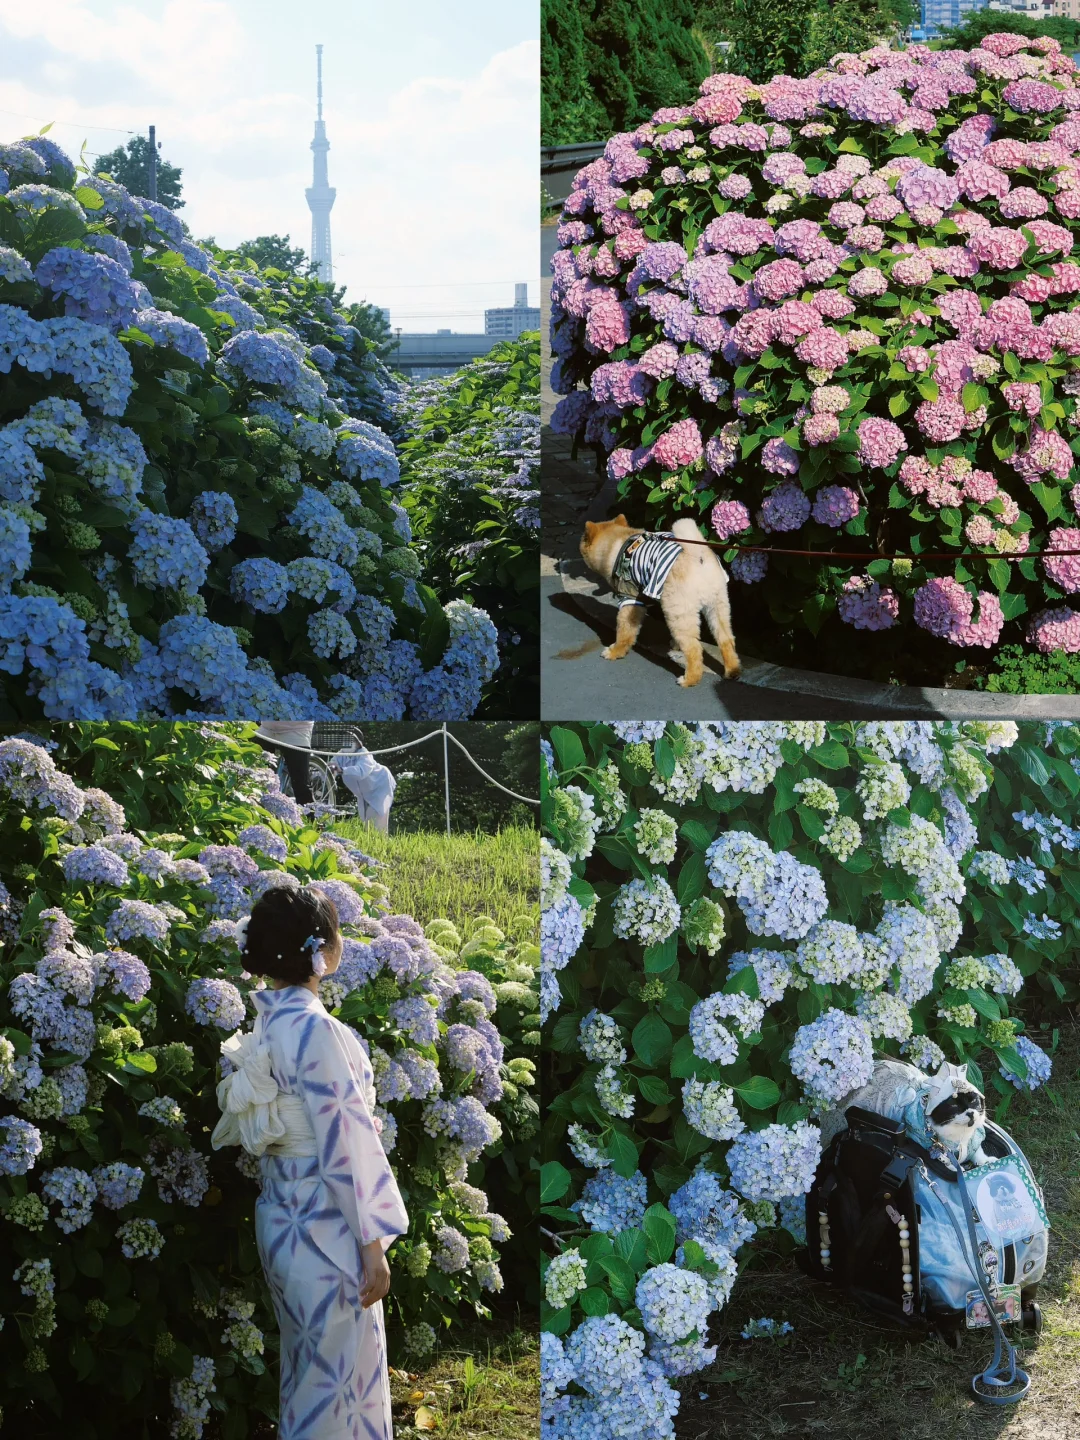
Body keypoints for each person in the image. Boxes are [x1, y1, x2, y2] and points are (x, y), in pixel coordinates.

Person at [211, 887, 407, 1438]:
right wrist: (373, 1245)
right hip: (327, 1229)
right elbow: (346, 1139)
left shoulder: (268, 1025)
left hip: (282, 1219)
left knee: (309, 1378)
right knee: (342, 1387)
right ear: (322, 950)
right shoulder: (317, 1030)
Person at [254, 722, 315, 805]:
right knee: (253, 774)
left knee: (300, 786)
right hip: (266, 729)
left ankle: (309, 816)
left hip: (296, 731)